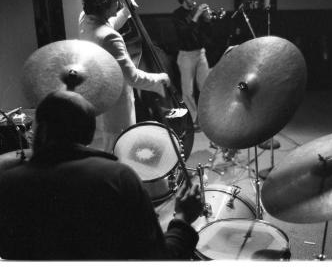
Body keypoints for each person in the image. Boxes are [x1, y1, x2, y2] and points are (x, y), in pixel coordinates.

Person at [0, 90, 202, 260]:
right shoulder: (117, 177)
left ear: (39, 129)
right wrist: (183, 219)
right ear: (88, 135)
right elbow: (158, 259)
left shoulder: (7, 184)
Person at [79, 0, 171, 152]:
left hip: (99, 95)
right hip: (117, 106)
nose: (120, 4)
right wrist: (160, 78)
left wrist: (126, 12)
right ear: (105, 5)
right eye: (116, 2)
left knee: (108, 147)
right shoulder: (110, 38)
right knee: (120, 150)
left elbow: (106, 24)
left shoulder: (85, 21)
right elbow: (132, 77)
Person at [172, 0, 212, 130]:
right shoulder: (176, 15)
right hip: (186, 55)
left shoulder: (198, 13)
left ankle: (206, 116)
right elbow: (185, 34)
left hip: (200, 53)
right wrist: (196, 16)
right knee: (187, 91)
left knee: (206, 87)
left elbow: (207, 35)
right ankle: (194, 119)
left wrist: (207, 20)